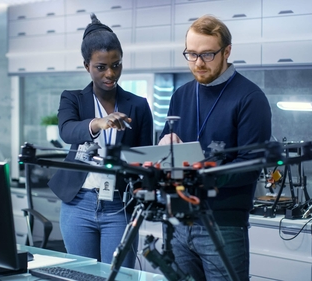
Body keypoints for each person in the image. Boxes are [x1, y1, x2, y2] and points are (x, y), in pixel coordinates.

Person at [158, 15, 272, 280]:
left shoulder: (250, 98)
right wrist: (165, 146)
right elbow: (167, 146)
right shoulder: (181, 94)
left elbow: (251, 167)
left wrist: (199, 171)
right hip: (179, 221)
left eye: (207, 54)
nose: (198, 63)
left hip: (223, 225)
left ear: (227, 51)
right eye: (191, 54)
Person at [48, 13, 153, 268]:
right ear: (87, 66)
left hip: (119, 205)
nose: (110, 73)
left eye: (116, 65)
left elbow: (145, 158)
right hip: (78, 204)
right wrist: (98, 122)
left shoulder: (137, 106)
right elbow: (68, 130)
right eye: (101, 67)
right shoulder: (72, 99)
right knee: (81, 273)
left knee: (118, 274)